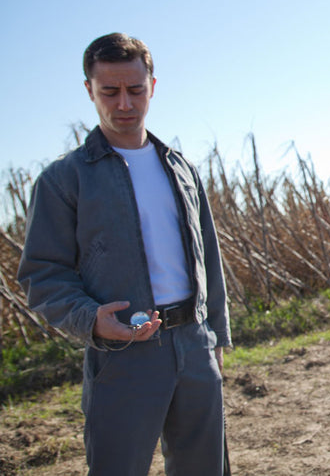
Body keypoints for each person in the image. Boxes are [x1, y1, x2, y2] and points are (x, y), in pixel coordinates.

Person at [17, 33, 232, 476]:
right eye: (109, 92)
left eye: (135, 90)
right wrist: (90, 319)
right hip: (122, 354)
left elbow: (209, 256)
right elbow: (42, 274)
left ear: (152, 85)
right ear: (89, 91)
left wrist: (216, 338)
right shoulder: (64, 180)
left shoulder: (182, 168)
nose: (124, 104)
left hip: (195, 345)